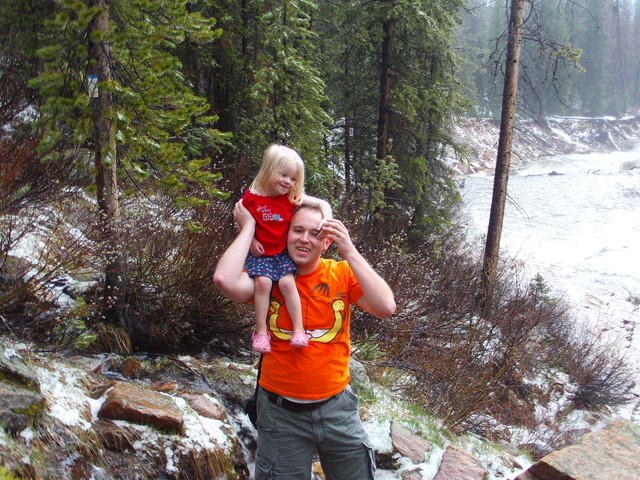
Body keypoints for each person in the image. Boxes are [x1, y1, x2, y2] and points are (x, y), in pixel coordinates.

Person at [214, 201, 396, 480]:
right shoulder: (265, 276)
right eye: (297, 230)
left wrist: (349, 250)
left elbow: (385, 307)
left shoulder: (340, 274)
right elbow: (224, 280)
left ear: (326, 243)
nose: (304, 239)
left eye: (315, 233)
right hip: (279, 414)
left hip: (338, 410)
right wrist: (250, 228)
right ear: (285, 234)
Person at [242, 144, 332, 353]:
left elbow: (321, 203)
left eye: (293, 179)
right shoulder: (252, 197)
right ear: (268, 170)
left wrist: (327, 219)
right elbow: (242, 218)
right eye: (283, 175)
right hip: (262, 252)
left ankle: (299, 330)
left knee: (288, 283)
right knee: (263, 283)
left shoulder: (291, 198)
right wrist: (251, 240)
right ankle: (262, 332)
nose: (287, 182)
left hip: (282, 252)